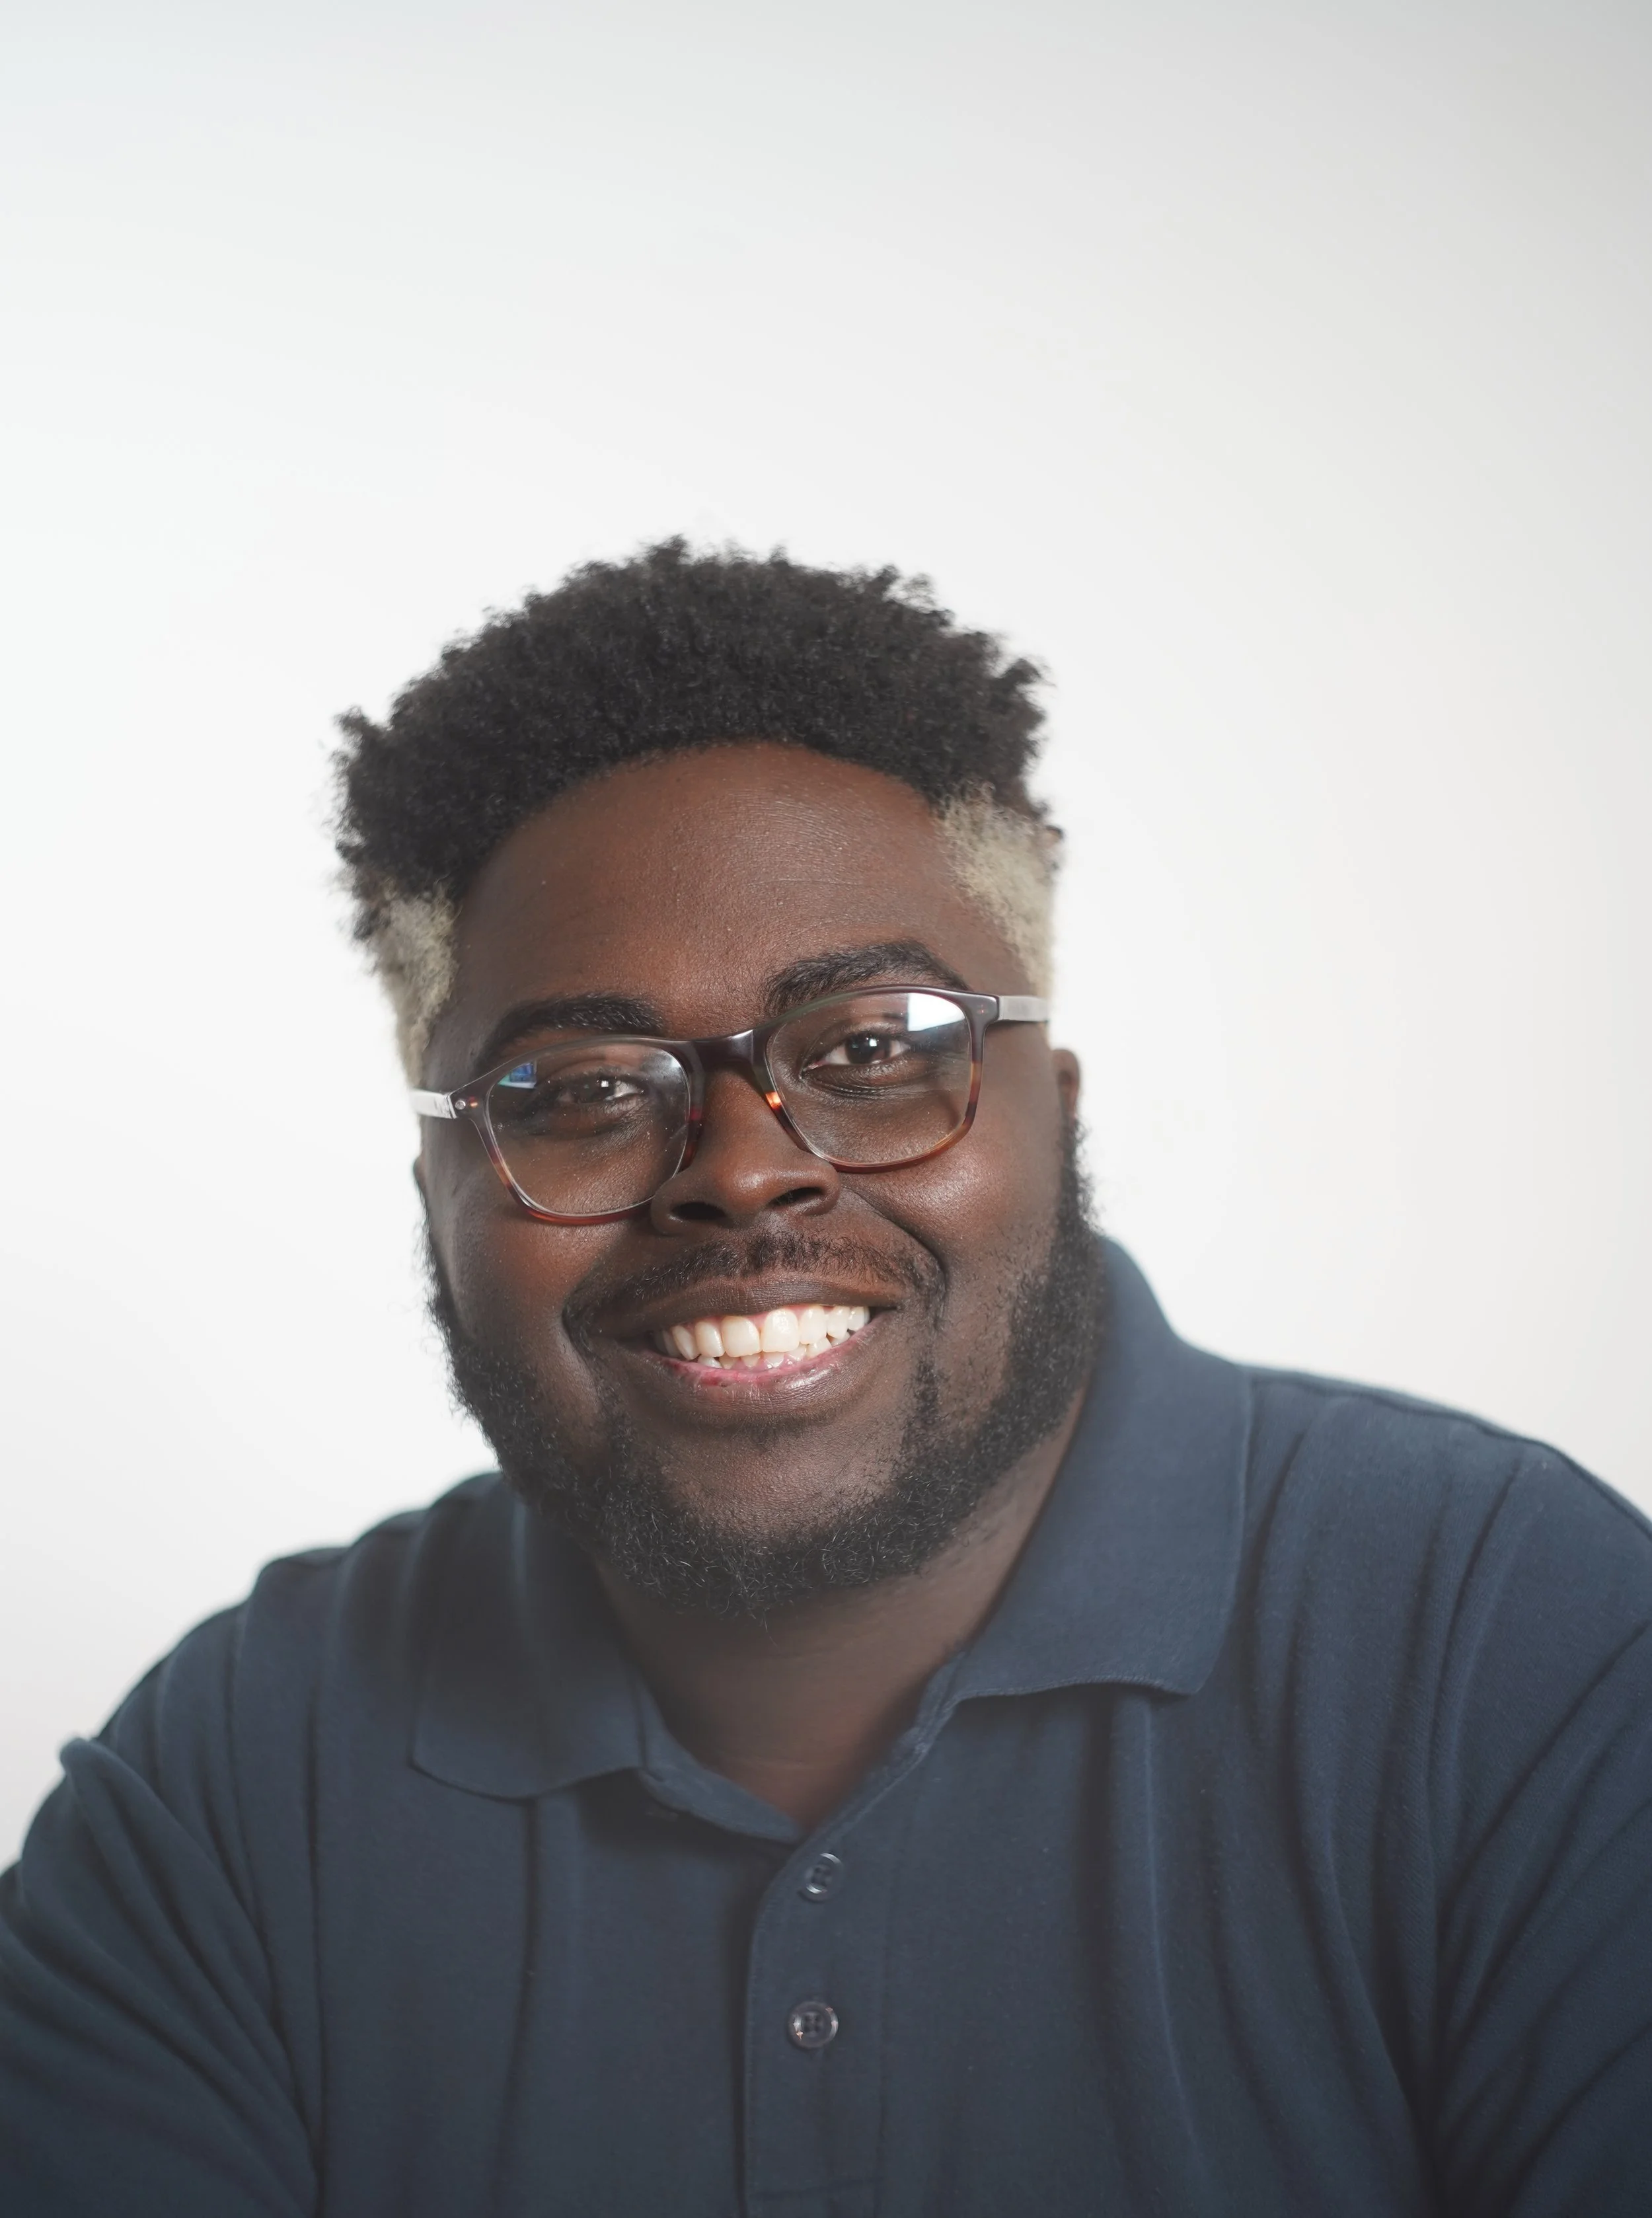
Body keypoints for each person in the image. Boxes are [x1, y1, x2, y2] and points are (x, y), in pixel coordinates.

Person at [2, 542, 1649, 2217]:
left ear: (1054, 1110)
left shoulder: (1519, 1649)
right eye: (578, 1088)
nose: (736, 1172)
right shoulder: (223, 1788)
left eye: (869, 1050)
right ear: (434, 1195)